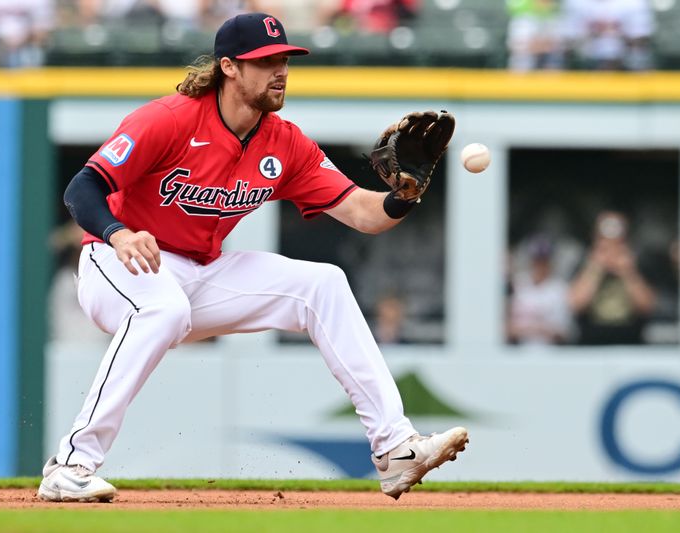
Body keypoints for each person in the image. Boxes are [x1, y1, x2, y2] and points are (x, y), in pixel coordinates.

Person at [37, 12, 467, 503]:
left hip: (199, 271)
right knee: (163, 307)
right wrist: (117, 233)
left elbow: (363, 214)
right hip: (119, 262)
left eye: (283, 59)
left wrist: (404, 194)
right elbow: (83, 187)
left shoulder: (284, 142)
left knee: (322, 284)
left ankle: (394, 449)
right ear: (229, 68)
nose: (279, 70)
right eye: (264, 61)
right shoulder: (170, 119)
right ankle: (72, 465)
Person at [568, 210, 657, 345]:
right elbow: (575, 304)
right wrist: (595, 268)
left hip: (631, 343)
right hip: (591, 343)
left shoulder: (639, 264)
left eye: (617, 243)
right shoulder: (584, 263)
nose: (611, 250)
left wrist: (628, 272)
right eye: (605, 244)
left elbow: (648, 307)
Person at [506, 235, 572, 346]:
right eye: (536, 260)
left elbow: (564, 332)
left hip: (551, 354)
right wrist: (538, 328)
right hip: (518, 353)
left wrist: (528, 328)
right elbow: (505, 328)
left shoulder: (560, 288)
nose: (540, 266)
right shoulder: (517, 284)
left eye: (544, 261)